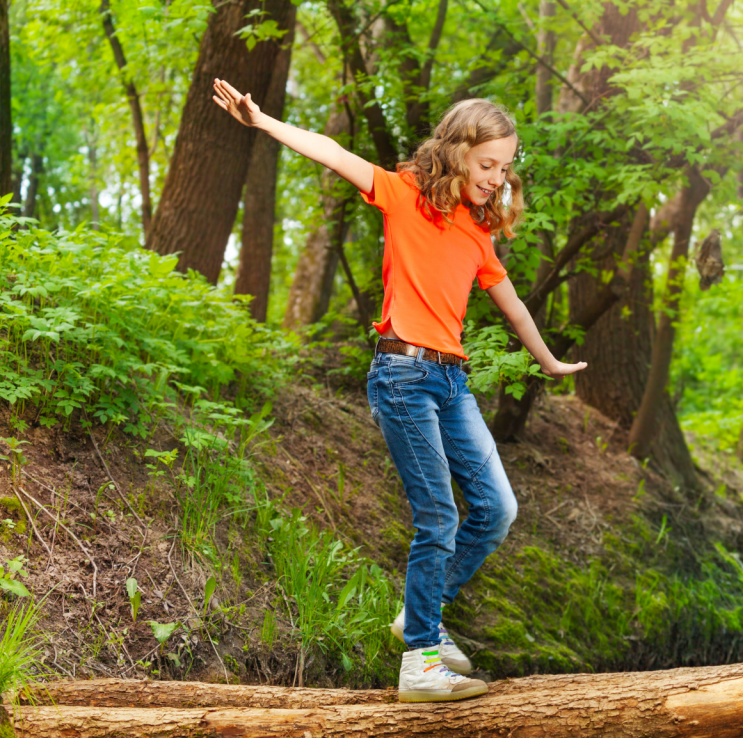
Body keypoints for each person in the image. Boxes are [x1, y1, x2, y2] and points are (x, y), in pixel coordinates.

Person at [211, 80, 586, 702]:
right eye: (487, 164)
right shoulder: (405, 191)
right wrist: (264, 122)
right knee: (438, 514)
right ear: (458, 151)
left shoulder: (475, 230)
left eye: (506, 167)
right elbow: (330, 150)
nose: (497, 177)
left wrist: (547, 362)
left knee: (498, 511)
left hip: (451, 379)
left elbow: (512, 302)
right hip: (402, 373)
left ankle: (422, 620)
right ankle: (421, 661)